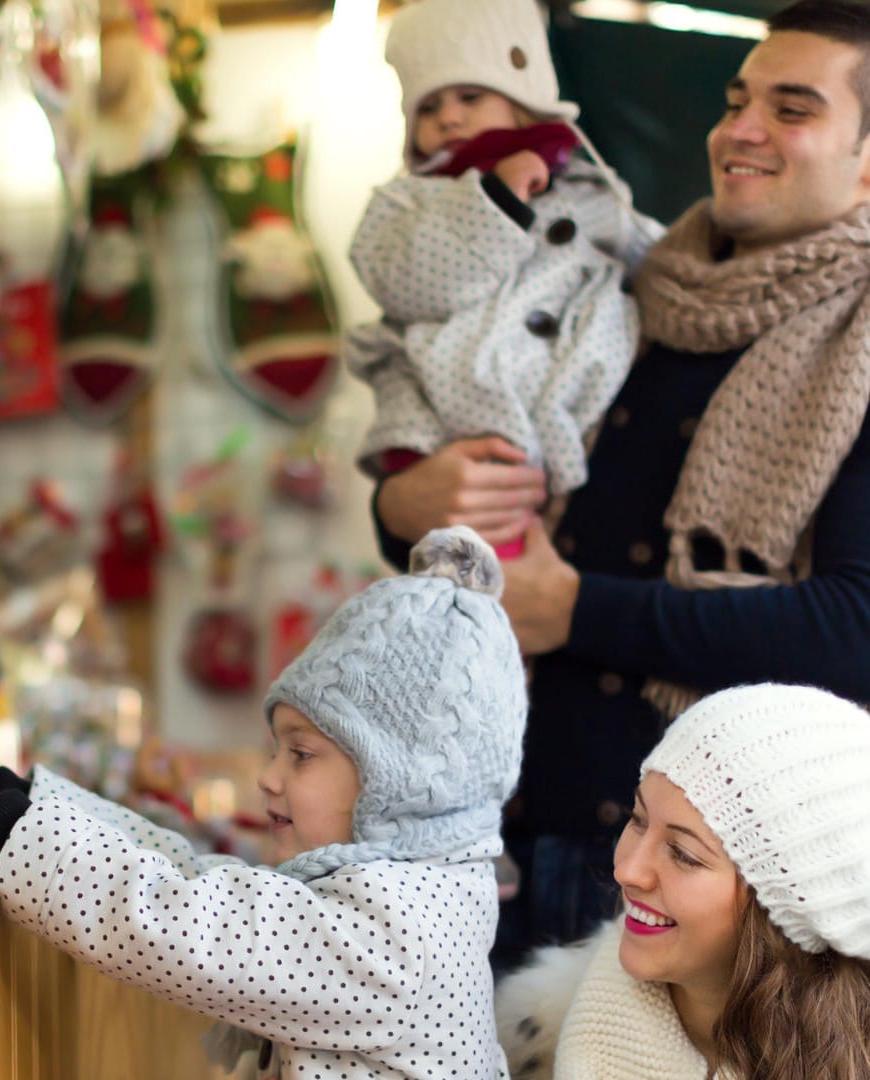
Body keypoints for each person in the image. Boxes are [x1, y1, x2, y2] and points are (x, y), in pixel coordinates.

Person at [371, 0, 870, 962]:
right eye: (737, 100)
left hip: (738, 894)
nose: (740, 130)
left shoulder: (860, 345)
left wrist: (577, 610)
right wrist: (405, 505)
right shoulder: (626, 283)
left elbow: (856, 630)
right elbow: (483, 460)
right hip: (526, 826)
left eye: (793, 108)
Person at [0, 527, 527, 1078]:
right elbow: (199, 878)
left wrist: (1, 832)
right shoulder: (416, 894)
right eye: (275, 748)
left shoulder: (396, 937)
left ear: (403, 784)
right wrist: (23, 802)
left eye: (301, 755)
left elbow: (184, 923)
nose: (269, 778)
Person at [347, 0, 661, 559]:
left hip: (579, 404)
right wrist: (494, 198)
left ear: (525, 99)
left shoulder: (590, 189)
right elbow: (408, 284)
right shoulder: (403, 202)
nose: (448, 117)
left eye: (471, 96)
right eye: (429, 106)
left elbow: (655, 260)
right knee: (475, 568)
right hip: (457, 410)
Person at [495, 683, 870, 1080]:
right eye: (637, 819)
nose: (627, 871)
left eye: (684, 855)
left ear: (792, 907)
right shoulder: (536, 1036)